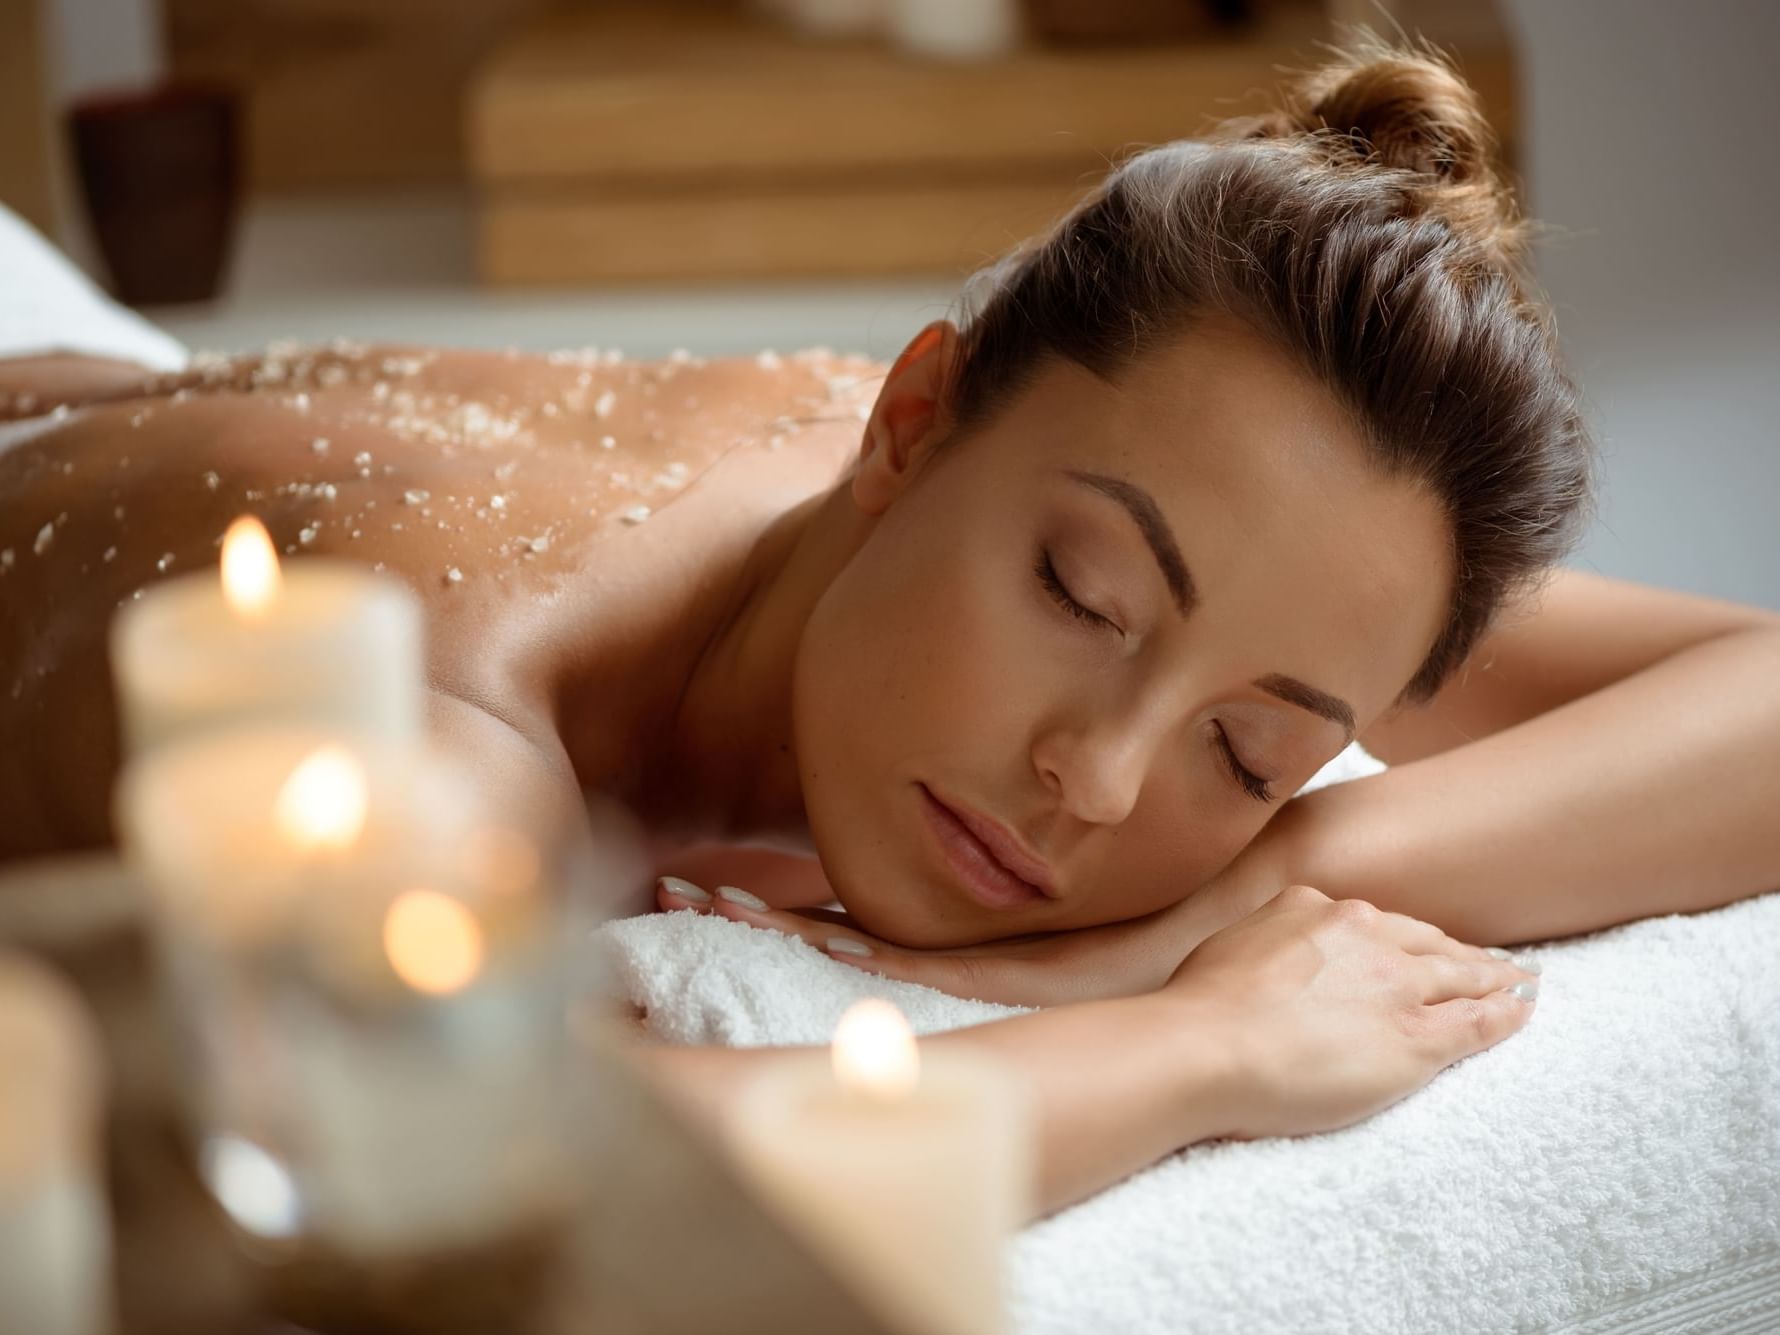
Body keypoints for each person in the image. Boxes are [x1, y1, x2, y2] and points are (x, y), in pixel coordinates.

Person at [2, 37, 1776, 1220]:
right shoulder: (436, 723)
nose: (1094, 772)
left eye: (1251, 746)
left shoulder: (1150, 472)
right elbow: (490, 1177)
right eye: (1082, 597)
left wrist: (1275, 872)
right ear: (913, 417)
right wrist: (1191, 1042)